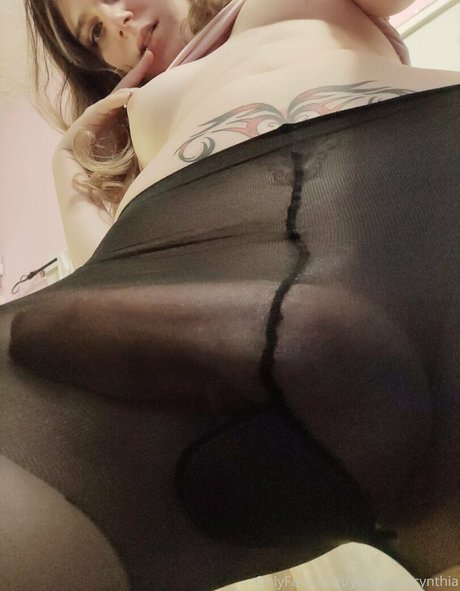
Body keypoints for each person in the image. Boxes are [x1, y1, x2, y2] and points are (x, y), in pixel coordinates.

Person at [1, 0, 459, 589]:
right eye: (93, 32)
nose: (115, 19)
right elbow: (117, 276)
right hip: (222, 284)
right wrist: (70, 174)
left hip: (422, 154)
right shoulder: (138, 106)